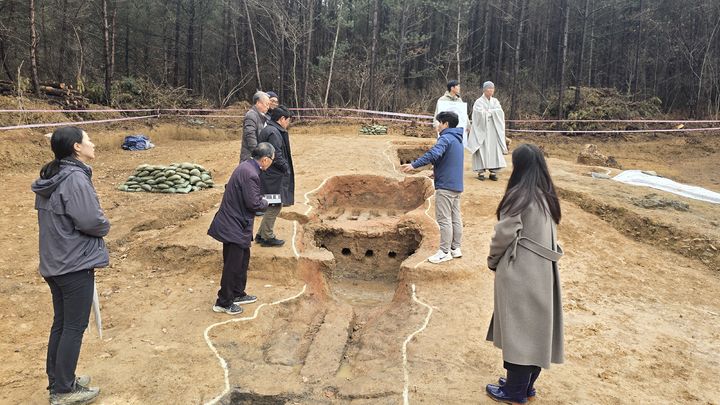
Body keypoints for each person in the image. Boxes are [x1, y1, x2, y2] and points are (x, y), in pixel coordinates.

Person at [31, 126, 109, 405]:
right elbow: (91, 221)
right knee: (74, 327)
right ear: (76, 147)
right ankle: (64, 390)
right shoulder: (74, 178)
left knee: (62, 324)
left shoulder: (52, 175)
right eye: (89, 139)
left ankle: (60, 379)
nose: (93, 143)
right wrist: (105, 225)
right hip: (73, 263)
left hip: (55, 261)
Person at [484, 144, 564, 404]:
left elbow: (503, 235)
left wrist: (493, 261)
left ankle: (514, 392)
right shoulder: (547, 196)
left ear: (520, 167)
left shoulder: (519, 196)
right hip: (544, 272)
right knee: (536, 330)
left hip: (520, 271)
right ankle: (525, 385)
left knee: (518, 331)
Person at [207, 143, 275, 315]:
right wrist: (266, 202)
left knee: (242, 259)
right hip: (233, 225)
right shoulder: (251, 174)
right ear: (265, 159)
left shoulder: (246, 167)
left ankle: (237, 293)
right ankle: (223, 302)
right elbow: (253, 203)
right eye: (271, 160)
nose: (271, 163)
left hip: (237, 223)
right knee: (233, 264)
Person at [400, 111, 464, 264]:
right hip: (456, 184)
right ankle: (455, 249)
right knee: (455, 217)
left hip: (446, 187)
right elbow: (449, 161)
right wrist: (437, 173)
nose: (437, 125)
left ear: (446, 124)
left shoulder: (445, 138)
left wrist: (414, 165)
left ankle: (444, 252)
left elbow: (434, 154)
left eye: (439, 122)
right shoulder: (457, 139)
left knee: (444, 219)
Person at [256, 105, 295, 247]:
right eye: (288, 120)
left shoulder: (271, 129)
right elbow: (276, 155)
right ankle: (267, 237)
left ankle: (261, 235)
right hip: (273, 176)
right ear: (282, 118)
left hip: (271, 175)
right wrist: (285, 168)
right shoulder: (273, 132)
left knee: (273, 203)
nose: (288, 123)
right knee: (275, 205)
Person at [468, 81, 508, 181]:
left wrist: (488, 112)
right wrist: (491, 113)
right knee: (482, 148)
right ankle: (480, 172)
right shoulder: (479, 101)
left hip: (493, 129)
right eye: (488, 88)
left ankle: (493, 172)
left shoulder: (495, 101)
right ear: (484, 90)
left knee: (494, 149)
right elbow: (478, 114)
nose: (490, 90)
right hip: (482, 130)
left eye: (492, 89)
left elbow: (500, 112)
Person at [240, 91, 271, 162]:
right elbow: (250, 137)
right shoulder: (251, 116)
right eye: (266, 104)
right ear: (258, 103)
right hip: (250, 158)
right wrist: (259, 155)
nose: (268, 107)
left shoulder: (262, 116)